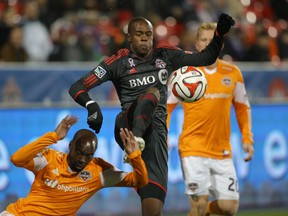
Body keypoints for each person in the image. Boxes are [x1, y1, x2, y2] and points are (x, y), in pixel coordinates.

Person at [68, 14, 235, 216]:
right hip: (127, 128)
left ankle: (138, 148)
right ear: (129, 37)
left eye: (149, 34)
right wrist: (92, 105)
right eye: (139, 34)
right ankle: (135, 144)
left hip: (155, 138)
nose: (145, 38)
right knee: (153, 92)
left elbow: (205, 58)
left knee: (153, 210)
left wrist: (219, 35)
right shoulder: (117, 62)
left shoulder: (165, 56)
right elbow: (78, 87)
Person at [166, 22, 254, 216]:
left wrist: (247, 137)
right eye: (203, 40)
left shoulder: (233, 73)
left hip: (222, 151)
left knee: (228, 207)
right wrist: (163, 132)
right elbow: (167, 107)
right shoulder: (185, 73)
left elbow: (242, 107)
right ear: (196, 44)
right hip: (193, 148)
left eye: (212, 40)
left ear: (220, 44)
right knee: (198, 205)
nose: (207, 44)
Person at [1, 115, 148, 216]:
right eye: (80, 152)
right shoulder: (49, 159)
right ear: (71, 145)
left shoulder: (99, 172)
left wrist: (135, 156)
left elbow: (140, 181)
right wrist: (53, 137)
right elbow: (17, 159)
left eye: (88, 155)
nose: (83, 159)